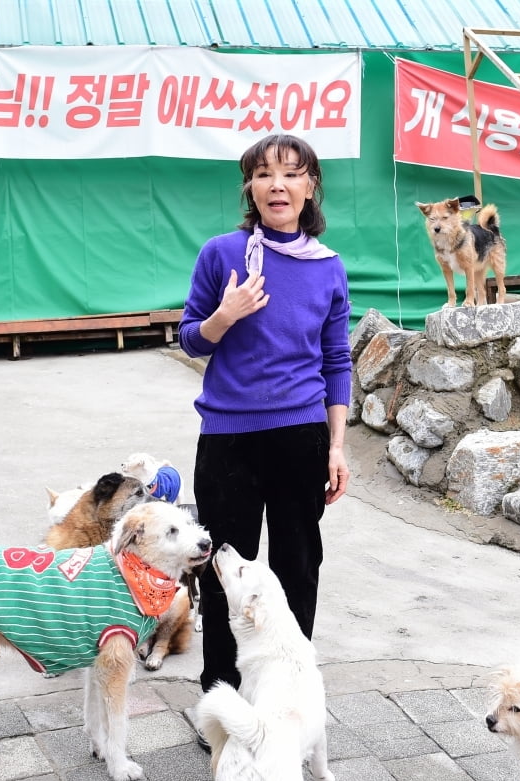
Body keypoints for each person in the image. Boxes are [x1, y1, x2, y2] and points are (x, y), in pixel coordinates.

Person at [178, 133, 352, 701]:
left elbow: (335, 361)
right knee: (225, 570)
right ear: (250, 187)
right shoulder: (222, 254)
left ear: (310, 187)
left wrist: (336, 445)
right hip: (229, 438)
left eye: (291, 173)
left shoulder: (328, 267)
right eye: (264, 174)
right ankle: (223, 690)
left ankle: (287, 690)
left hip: (301, 437)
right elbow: (191, 341)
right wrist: (224, 316)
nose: (278, 184)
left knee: (298, 566)